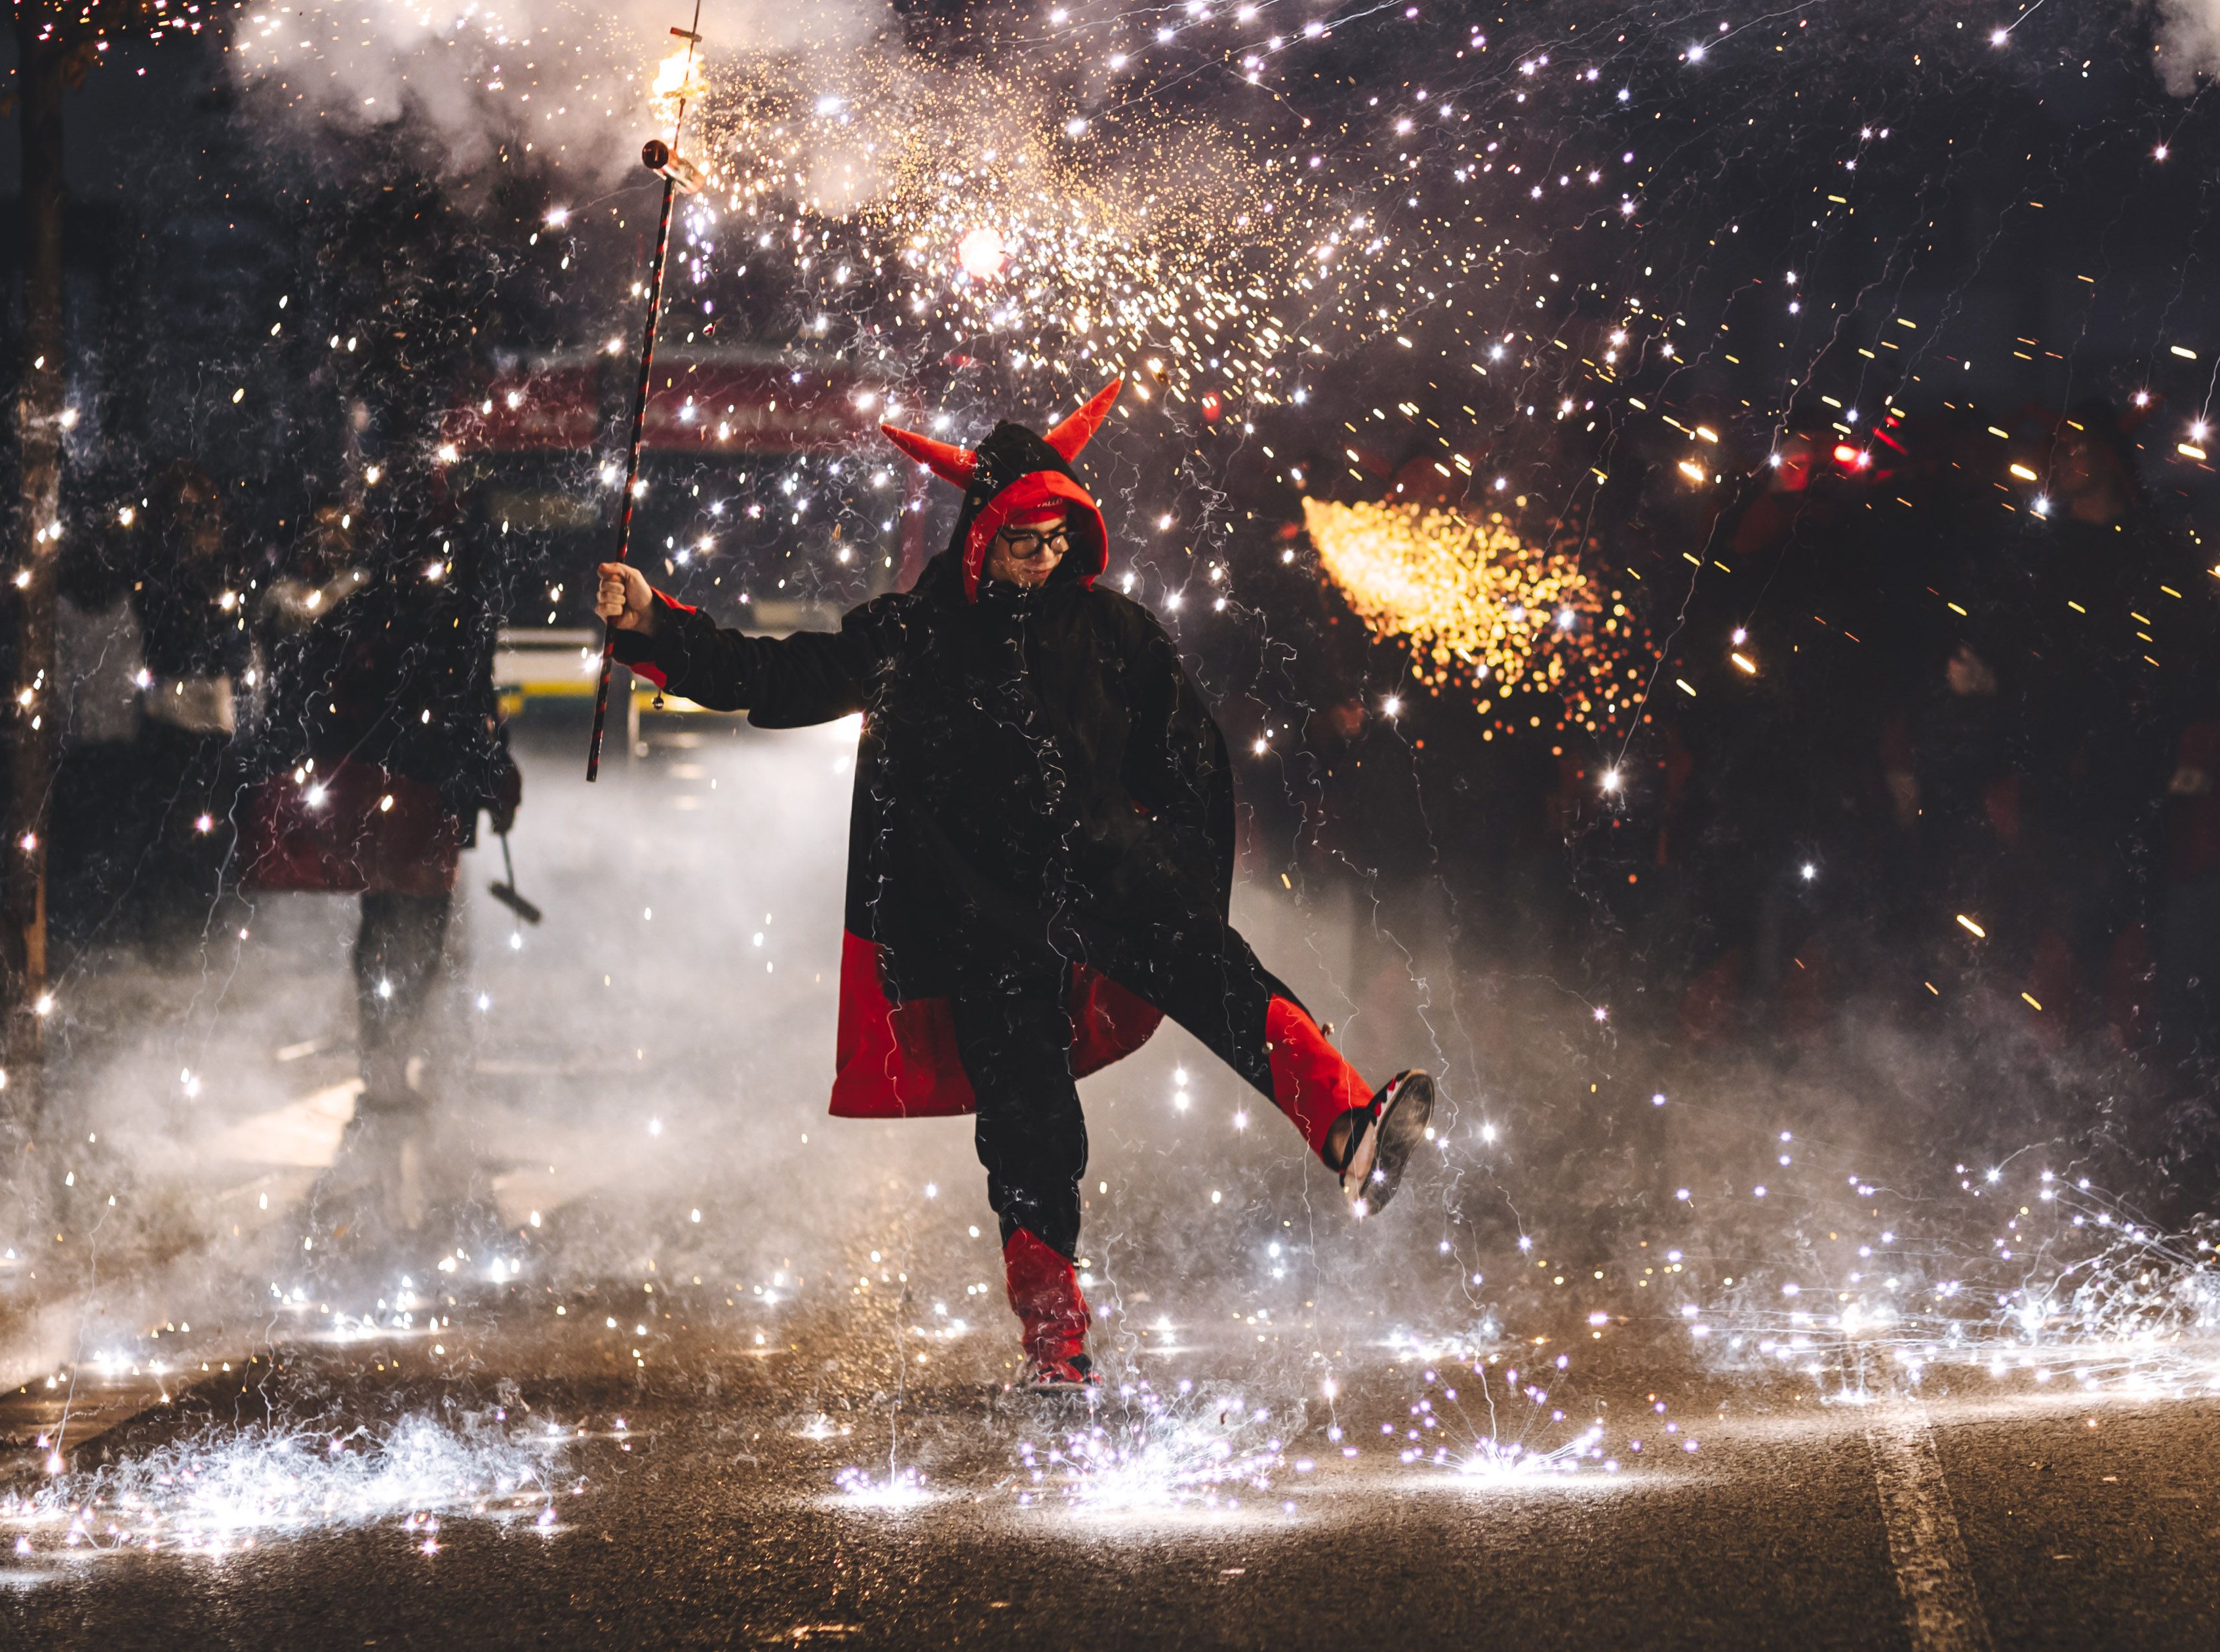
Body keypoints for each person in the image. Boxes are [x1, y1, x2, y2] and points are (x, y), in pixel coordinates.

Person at [595, 380, 1437, 1388]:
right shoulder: (913, 636)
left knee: (1221, 972)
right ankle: (1055, 1342)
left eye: (1055, 539)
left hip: (1113, 876)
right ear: (979, 535)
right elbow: (779, 675)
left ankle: (1346, 1124)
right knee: (1031, 1125)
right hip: (985, 919)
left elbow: (1183, 752)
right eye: (1020, 541)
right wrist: (654, 625)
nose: (1039, 560)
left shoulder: (1115, 631)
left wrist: (1166, 859)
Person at [235, 469, 520, 1111]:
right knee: (414, 926)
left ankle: (385, 1052)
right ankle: (390, 1052)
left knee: (389, 921)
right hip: (421, 793)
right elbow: (476, 708)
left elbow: (318, 696)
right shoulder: (447, 615)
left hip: (393, 793)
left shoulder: (378, 612)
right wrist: (494, 775)